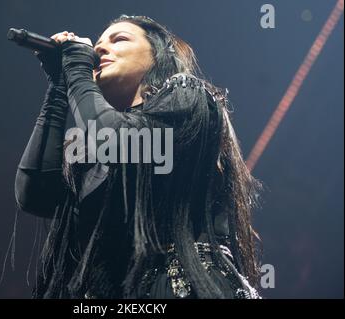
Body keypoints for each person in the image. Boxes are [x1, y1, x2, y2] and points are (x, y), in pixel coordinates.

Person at [14, 15, 262, 299]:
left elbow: (122, 143)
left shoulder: (188, 96)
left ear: (157, 56)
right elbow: (34, 194)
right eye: (96, 45)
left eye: (119, 39)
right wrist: (59, 86)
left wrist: (77, 69)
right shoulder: (89, 147)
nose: (99, 50)